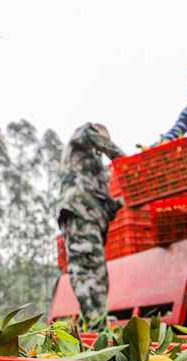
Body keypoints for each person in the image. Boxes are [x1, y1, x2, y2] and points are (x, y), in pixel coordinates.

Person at [55, 122, 125, 330]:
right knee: (88, 274)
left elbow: (105, 202)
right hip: (79, 214)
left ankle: (97, 328)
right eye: (103, 138)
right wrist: (122, 158)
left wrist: (125, 202)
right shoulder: (80, 142)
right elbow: (88, 134)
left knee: (98, 276)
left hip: (91, 219)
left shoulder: (97, 169)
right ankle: (96, 330)